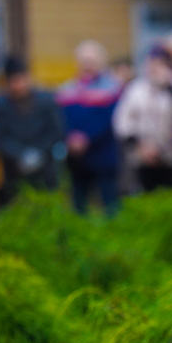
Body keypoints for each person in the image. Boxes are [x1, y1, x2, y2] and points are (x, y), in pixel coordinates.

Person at [56, 40, 121, 215]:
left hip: (102, 154)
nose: (87, 65)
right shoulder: (67, 89)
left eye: (92, 61)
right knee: (78, 203)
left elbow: (108, 120)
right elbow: (61, 118)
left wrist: (86, 138)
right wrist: (71, 137)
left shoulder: (112, 89)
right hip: (77, 158)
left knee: (109, 204)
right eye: (84, 61)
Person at [113, 44, 172, 192]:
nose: (154, 68)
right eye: (151, 64)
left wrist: (169, 87)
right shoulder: (135, 89)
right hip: (141, 158)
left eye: (159, 64)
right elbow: (122, 121)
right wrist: (141, 145)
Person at [0, 55, 64, 206]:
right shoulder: (0, 105)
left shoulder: (46, 101)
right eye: (14, 81)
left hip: (45, 170)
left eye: (21, 80)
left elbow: (56, 131)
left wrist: (38, 153)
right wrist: (20, 154)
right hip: (14, 171)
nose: (19, 85)